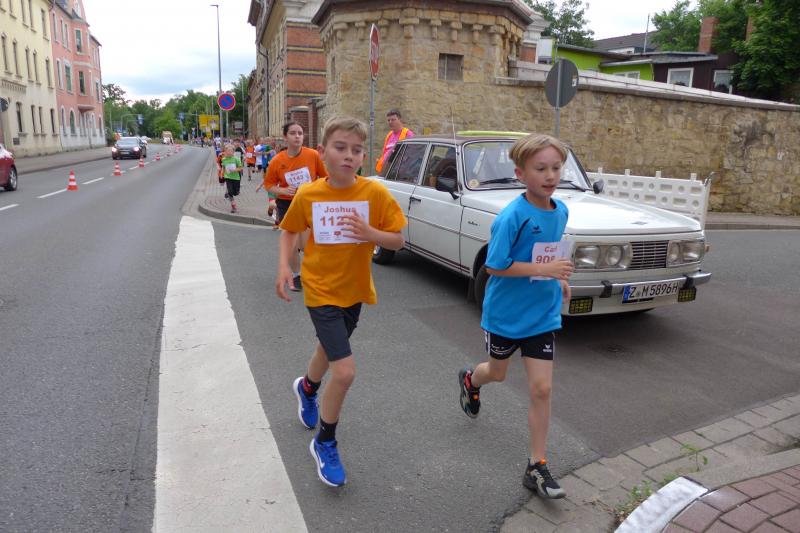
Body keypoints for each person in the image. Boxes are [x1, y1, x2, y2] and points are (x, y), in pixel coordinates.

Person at [275, 116, 406, 487]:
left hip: (354, 291)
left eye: (357, 150)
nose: (349, 155)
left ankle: (307, 388)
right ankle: (325, 441)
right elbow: (290, 231)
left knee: (328, 349)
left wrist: (370, 232)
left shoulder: (374, 193)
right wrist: (284, 266)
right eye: (340, 147)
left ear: (363, 156)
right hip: (320, 289)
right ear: (323, 152)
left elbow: (398, 240)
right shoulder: (309, 194)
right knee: (345, 371)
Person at [457, 133, 574, 499]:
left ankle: (536, 464)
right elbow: (495, 265)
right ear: (521, 174)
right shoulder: (512, 216)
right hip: (505, 315)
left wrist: (559, 279)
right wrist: (547, 269)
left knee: (542, 389)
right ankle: (471, 381)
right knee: (497, 373)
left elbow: (548, 253)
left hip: (542, 314)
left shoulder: (561, 211)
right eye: (541, 169)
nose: (550, 175)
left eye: (556, 167)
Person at [264, 122, 328, 291]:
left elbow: (325, 178)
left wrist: (315, 190)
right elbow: (269, 185)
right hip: (287, 203)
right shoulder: (277, 160)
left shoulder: (312, 155)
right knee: (291, 242)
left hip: (309, 202)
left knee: (307, 243)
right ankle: (297, 275)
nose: (297, 136)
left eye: (300, 133)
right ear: (285, 137)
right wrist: (283, 190)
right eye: (293, 133)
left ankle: (311, 271)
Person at [375, 109, 414, 173]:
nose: (390, 122)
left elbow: (412, 155)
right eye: (388, 120)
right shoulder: (389, 135)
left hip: (398, 172)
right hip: (385, 171)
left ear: (400, 120)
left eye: (393, 120)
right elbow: (385, 152)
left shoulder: (408, 134)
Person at [219, 143, 243, 214]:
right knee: (230, 192)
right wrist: (221, 174)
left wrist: (235, 170)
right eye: (227, 151)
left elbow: (241, 168)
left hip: (236, 178)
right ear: (225, 152)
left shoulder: (236, 159)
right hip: (228, 177)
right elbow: (223, 168)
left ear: (233, 152)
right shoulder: (224, 159)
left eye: (231, 151)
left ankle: (236, 191)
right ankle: (233, 206)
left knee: (236, 193)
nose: (229, 152)